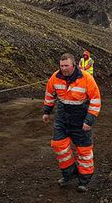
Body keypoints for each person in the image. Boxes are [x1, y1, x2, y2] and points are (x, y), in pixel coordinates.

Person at [42, 53, 101, 192]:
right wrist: (46, 111)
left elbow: (95, 100)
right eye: (61, 66)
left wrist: (89, 120)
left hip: (80, 117)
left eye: (66, 66)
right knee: (58, 145)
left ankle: (84, 181)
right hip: (62, 116)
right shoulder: (55, 77)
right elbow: (49, 94)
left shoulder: (86, 78)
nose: (64, 69)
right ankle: (69, 173)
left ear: (73, 65)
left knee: (84, 151)